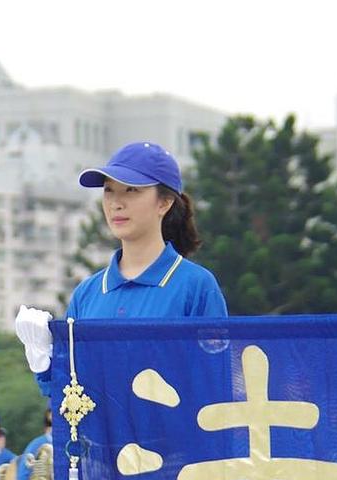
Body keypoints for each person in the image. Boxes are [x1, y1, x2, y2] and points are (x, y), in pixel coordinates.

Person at [14, 141, 228, 396]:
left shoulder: (195, 286)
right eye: (108, 191)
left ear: (165, 202)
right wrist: (44, 363)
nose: (116, 203)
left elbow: (214, 384)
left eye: (131, 190)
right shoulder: (87, 293)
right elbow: (69, 397)